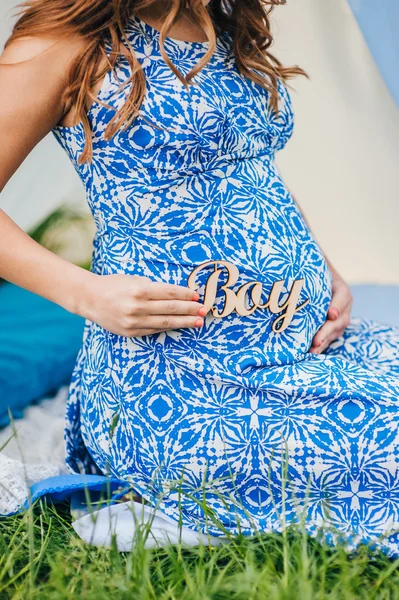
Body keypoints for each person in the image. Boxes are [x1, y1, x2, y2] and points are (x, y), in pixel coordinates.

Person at [1, 0, 399, 555]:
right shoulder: (66, 40)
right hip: (183, 387)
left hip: (303, 352)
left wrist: (323, 266)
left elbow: (247, 167)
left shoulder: (221, 19)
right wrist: (84, 292)